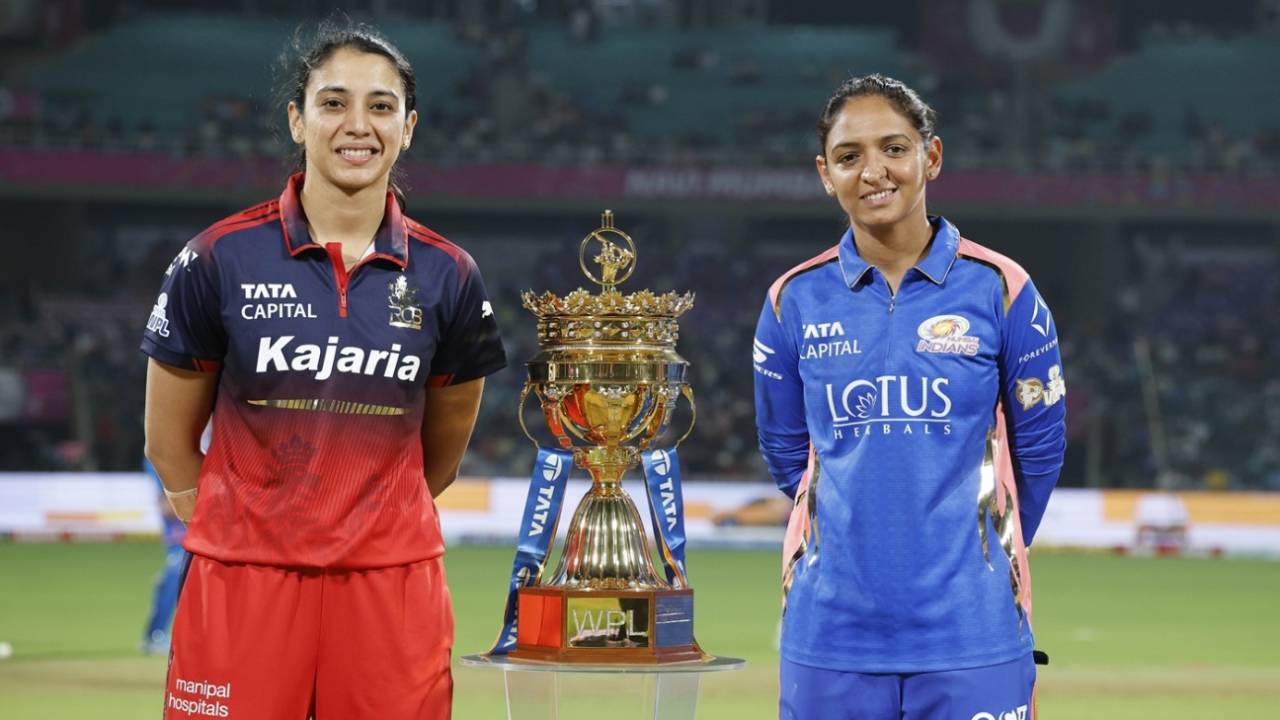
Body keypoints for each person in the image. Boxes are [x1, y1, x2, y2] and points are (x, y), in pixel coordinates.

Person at [141, 19, 506, 720]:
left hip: (390, 588)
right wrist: (245, 529)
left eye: (381, 106)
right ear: (296, 120)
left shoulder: (450, 275)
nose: (356, 125)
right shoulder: (218, 258)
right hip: (243, 584)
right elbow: (167, 444)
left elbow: (443, 453)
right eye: (333, 102)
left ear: (409, 128)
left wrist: (368, 525)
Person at [753, 74, 1066, 719]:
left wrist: (979, 561)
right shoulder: (792, 298)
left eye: (894, 148)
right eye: (849, 156)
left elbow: (1040, 450)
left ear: (932, 156)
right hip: (830, 634)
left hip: (973, 633)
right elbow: (787, 454)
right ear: (824, 173)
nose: (874, 172)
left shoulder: (1003, 289)